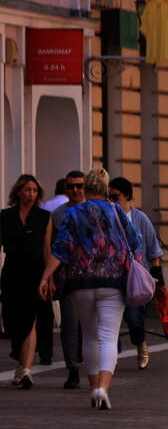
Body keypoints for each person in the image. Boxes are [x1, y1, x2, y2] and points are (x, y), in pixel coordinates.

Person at [39, 168, 143, 410]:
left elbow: (61, 249)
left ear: (85, 188)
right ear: (106, 189)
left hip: (80, 283)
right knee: (108, 336)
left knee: (89, 335)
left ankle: (93, 385)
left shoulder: (73, 213)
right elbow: (136, 240)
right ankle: (103, 388)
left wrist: (46, 277)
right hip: (112, 283)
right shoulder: (117, 211)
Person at [108, 177, 164, 370]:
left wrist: (157, 280)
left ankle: (141, 345)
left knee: (134, 317)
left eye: (115, 197)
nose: (112, 201)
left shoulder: (140, 218)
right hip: (112, 275)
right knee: (110, 316)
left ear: (127, 196)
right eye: (109, 197)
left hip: (135, 276)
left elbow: (154, 251)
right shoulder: (107, 217)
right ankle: (111, 354)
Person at [1, 175, 51, 388]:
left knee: (30, 320)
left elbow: (47, 249)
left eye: (34, 190)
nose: (31, 194)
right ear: (18, 191)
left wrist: (48, 278)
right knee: (12, 320)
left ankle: (26, 370)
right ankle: (21, 366)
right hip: (12, 273)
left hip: (35, 274)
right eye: (27, 189)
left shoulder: (44, 217)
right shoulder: (5, 216)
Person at [51, 170, 86, 389]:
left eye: (79, 186)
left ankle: (90, 362)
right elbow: (53, 247)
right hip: (67, 275)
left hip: (93, 275)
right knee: (69, 323)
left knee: (89, 323)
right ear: (65, 189)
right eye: (71, 186)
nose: (75, 190)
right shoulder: (57, 214)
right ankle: (72, 368)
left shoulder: (93, 210)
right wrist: (51, 276)